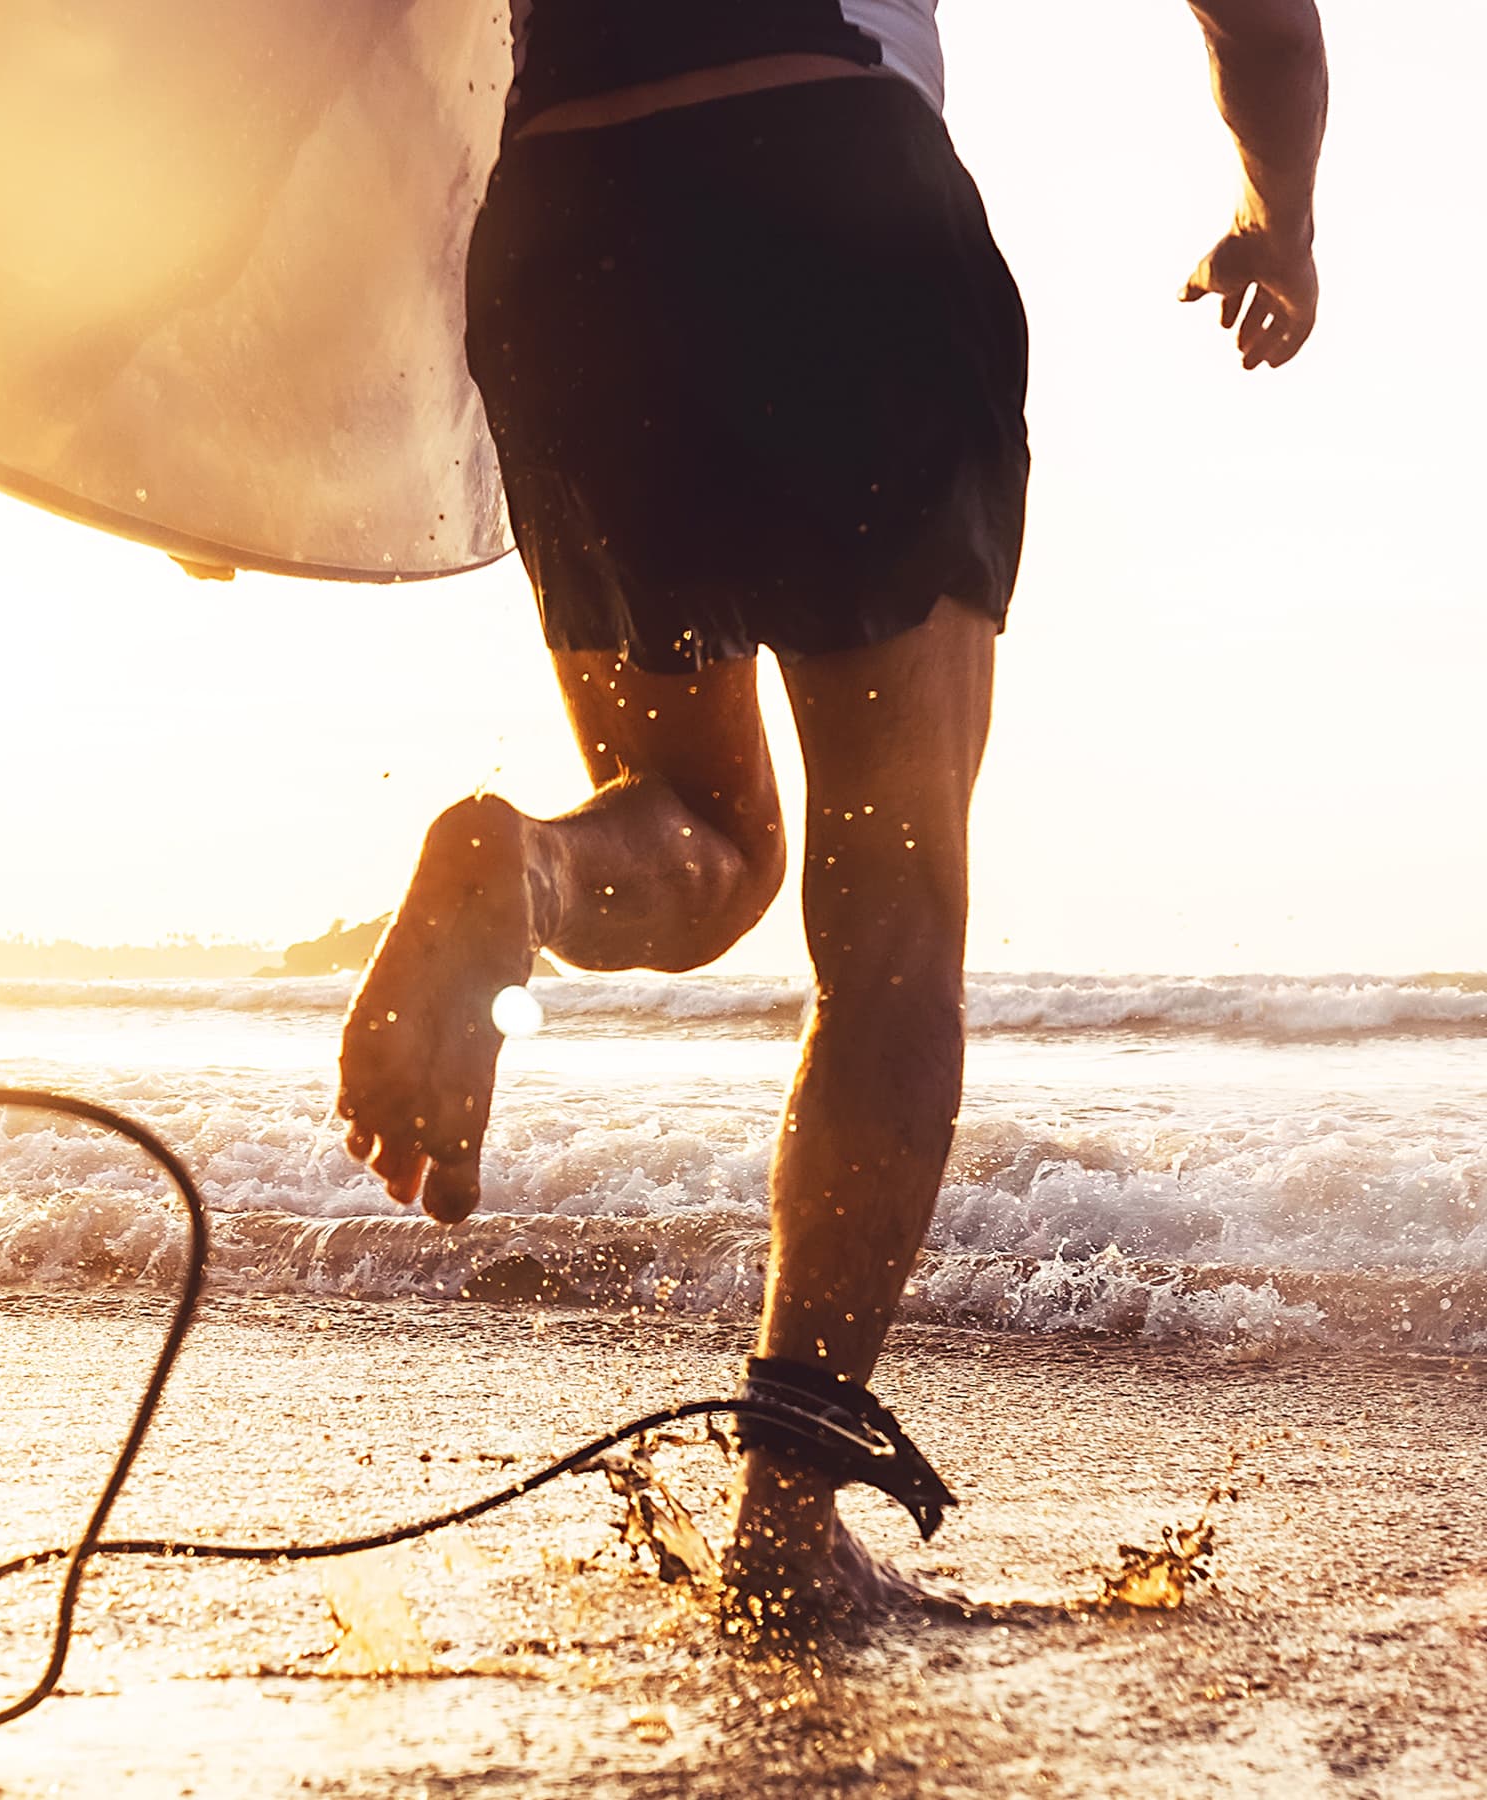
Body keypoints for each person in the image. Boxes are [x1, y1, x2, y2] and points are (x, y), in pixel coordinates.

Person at [338, 0, 1328, 1618]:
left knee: (697, 833)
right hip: (838, 193)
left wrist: (233, 417)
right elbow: (1264, 22)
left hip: (573, 220)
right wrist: (1275, 218)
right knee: (889, 934)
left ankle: (522, 870)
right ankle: (783, 1523)